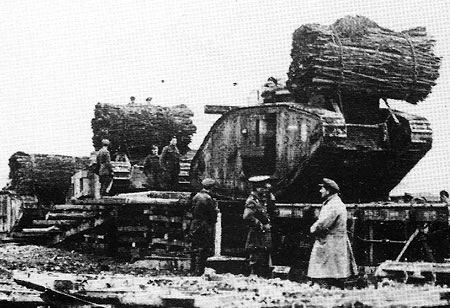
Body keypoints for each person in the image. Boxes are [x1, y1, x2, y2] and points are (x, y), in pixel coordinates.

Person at [307, 178, 357, 288]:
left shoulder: (333, 205)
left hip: (330, 243)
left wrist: (312, 229)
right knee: (334, 270)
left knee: (325, 272)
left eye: (322, 189)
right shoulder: (333, 203)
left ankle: (326, 289)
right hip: (334, 241)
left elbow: (322, 224)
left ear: (328, 191)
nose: (320, 191)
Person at [243, 175, 273, 278]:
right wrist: (261, 226)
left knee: (263, 256)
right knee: (255, 257)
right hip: (256, 234)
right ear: (257, 188)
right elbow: (247, 216)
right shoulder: (252, 201)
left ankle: (260, 278)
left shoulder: (260, 200)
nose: (265, 190)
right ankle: (253, 278)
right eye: (263, 188)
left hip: (261, 235)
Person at [189, 178, 218, 276]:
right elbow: (212, 215)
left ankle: (193, 269)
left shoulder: (196, 196)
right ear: (212, 187)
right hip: (204, 225)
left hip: (195, 224)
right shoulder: (208, 199)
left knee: (195, 247)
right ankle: (199, 271)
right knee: (203, 249)